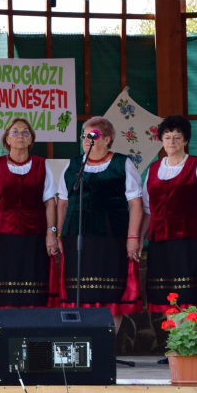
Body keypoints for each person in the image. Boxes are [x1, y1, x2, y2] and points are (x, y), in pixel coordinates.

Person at [57, 116, 143, 333]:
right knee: (79, 290)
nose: (87, 139)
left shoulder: (122, 163)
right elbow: (63, 203)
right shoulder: (73, 164)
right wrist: (57, 234)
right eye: (84, 135)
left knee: (110, 289)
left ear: (107, 139)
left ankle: (107, 345)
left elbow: (135, 204)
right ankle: (83, 343)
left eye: (92, 135)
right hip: (76, 234)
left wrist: (133, 238)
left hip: (110, 235)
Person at [0, 117, 60, 308]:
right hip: (2, 236)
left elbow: (50, 203)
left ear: (31, 140)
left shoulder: (41, 164)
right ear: (7, 139)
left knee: (34, 286)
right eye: (15, 132)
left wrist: (51, 232)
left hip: (35, 236)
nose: (20, 135)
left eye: (25, 132)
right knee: (4, 287)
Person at [138, 115, 197, 313]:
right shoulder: (154, 168)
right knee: (167, 296)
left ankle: (189, 342)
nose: (172, 141)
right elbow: (147, 210)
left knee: (189, 295)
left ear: (186, 140)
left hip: (190, 242)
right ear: (161, 140)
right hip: (160, 242)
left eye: (177, 137)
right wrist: (139, 240)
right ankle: (177, 341)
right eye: (167, 136)